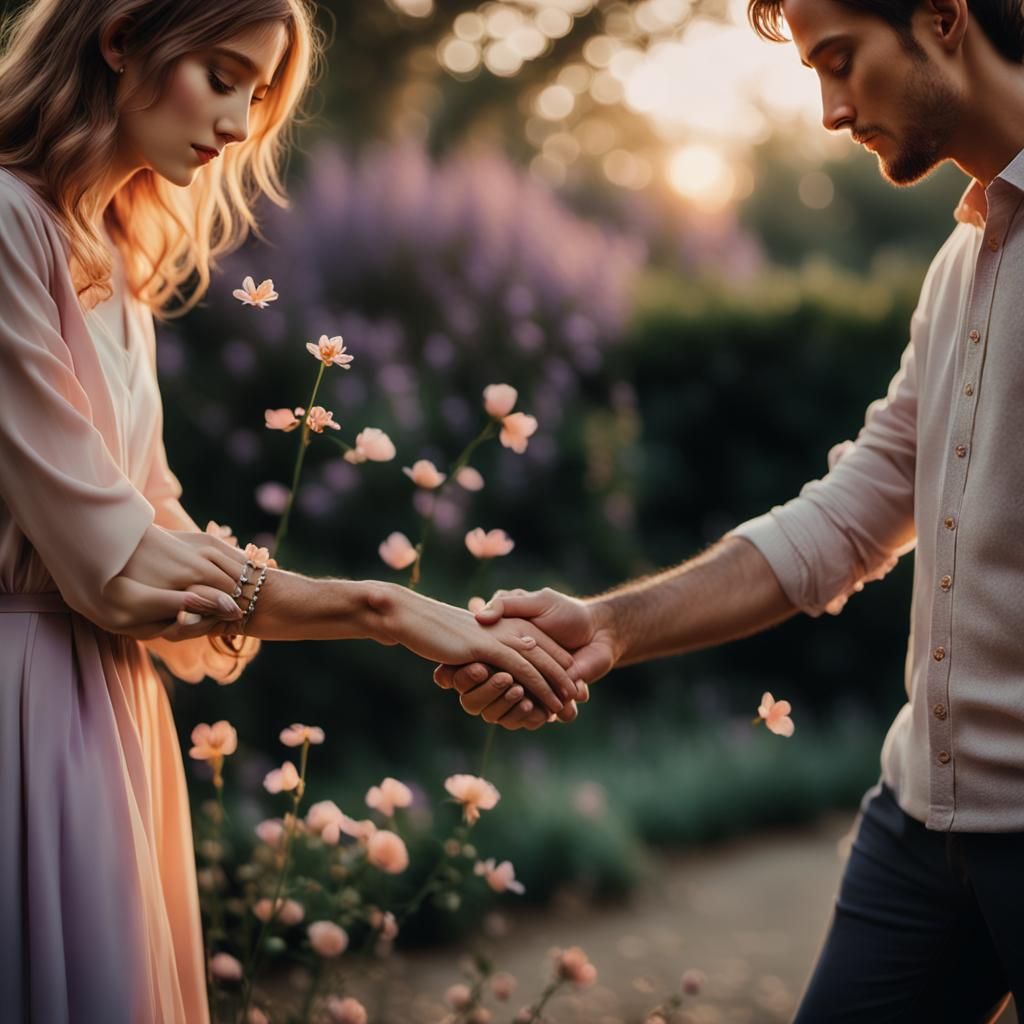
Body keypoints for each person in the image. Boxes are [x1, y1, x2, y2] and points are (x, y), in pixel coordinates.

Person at [437, 0, 1024, 1017]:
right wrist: (609, 625)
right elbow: (853, 509)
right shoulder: (962, 264)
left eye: (841, 60)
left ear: (941, 17)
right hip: (920, 821)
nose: (831, 111)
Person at [0, 2, 582, 1020]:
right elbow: (118, 562)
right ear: (121, 38)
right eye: (222, 77)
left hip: (113, 711)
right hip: (23, 700)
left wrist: (400, 612)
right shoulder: (7, 224)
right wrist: (385, 609)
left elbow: (158, 521)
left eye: (257, 95)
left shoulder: (115, 260)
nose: (237, 125)